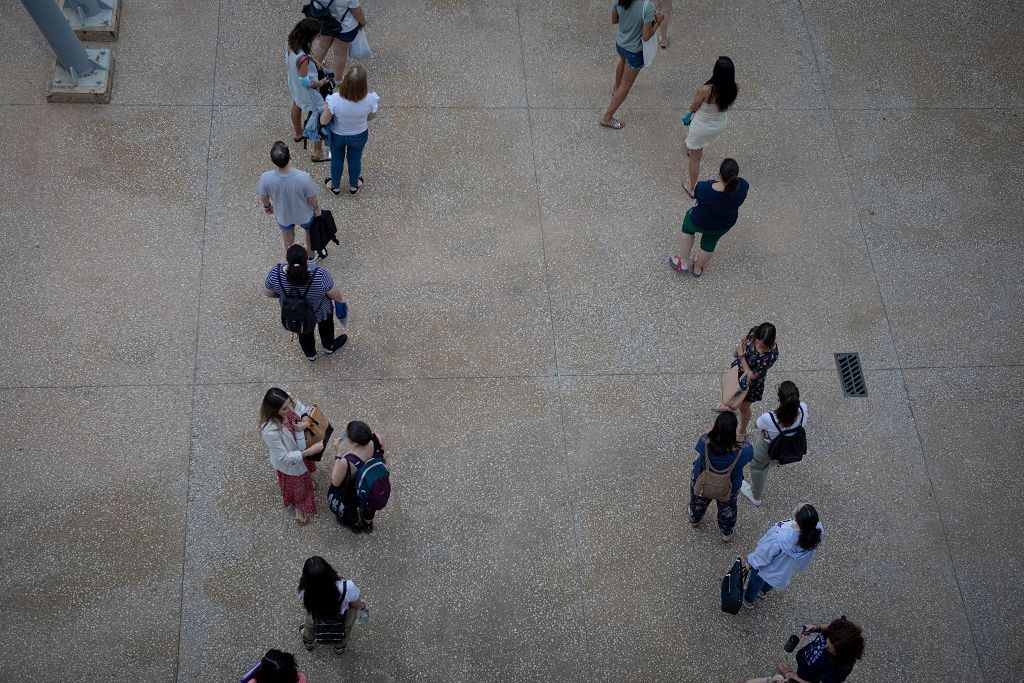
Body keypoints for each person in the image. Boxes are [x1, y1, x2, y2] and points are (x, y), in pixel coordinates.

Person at [264, 244, 349, 363]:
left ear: (288, 260)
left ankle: (311, 356)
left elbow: (268, 293)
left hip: (297, 314)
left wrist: (284, 295)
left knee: (304, 332)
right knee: (326, 328)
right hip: (321, 311)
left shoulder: (275, 274)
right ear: (306, 260)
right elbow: (336, 296)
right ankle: (328, 347)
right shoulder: (320, 275)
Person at [669, 157, 748, 277]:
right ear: (736, 175)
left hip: (699, 220)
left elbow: (695, 194)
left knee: (687, 229)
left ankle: (683, 262)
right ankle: (697, 267)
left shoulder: (704, 188)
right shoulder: (743, 187)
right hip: (723, 225)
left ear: (719, 173)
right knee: (710, 243)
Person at [259, 388, 325, 525]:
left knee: (306, 473)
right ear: (273, 411)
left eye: (290, 403)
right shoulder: (269, 431)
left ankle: (307, 482)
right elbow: (283, 457)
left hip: (302, 448)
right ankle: (299, 508)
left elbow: (302, 408)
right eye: (284, 409)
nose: (290, 408)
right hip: (293, 462)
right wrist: (309, 452)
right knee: (298, 487)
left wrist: (305, 421)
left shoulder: (287, 401)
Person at [688, 411, 753, 542]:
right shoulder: (744, 450)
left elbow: (704, 436)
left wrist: (711, 430)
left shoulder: (704, 443)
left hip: (703, 480)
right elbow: (747, 456)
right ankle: (726, 533)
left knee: (698, 501)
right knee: (727, 510)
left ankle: (695, 519)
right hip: (729, 486)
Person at [741, 381, 808, 506]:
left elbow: (756, 424)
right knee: (771, 462)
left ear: (779, 398)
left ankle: (756, 496)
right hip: (790, 446)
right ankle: (773, 463)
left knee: (758, 467)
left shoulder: (769, 418)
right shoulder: (803, 408)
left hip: (767, 449)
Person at [743, 503, 822, 609]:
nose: (799, 504)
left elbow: (764, 555)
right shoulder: (816, 532)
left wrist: (752, 562)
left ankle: (749, 600)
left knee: (755, 582)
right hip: (783, 571)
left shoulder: (780, 536)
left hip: (764, 568)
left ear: (795, 517)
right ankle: (762, 592)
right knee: (770, 582)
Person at [599, 0, 663, 130]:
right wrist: (658, 22)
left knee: (622, 62)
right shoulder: (648, 6)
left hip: (621, 43)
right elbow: (646, 37)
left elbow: (614, 20)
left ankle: (616, 90)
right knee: (626, 86)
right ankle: (607, 117)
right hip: (635, 51)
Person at [681, 57, 738, 197]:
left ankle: (692, 188)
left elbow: (694, 106)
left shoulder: (706, 90)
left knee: (695, 157)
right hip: (719, 123)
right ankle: (693, 147)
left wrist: (689, 112)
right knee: (697, 145)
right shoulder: (735, 87)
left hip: (702, 126)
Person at [258, 142, 323, 265]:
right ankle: (310, 255)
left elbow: (264, 197)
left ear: (273, 161)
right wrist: (316, 208)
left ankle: (291, 258)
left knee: (287, 236)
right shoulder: (303, 177)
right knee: (309, 232)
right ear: (290, 156)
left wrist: (267, 206)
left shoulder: (265, 178)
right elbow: (312, 198)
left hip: (283, 215)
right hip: (304, 214)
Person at [320, 63, 379, 195]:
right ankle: (354, 185)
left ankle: (335, 186)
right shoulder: (370, 99)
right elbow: (371, 116)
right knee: (355, 159)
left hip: (337, 135)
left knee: (336, 159)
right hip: (359, 134)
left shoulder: (334, 99)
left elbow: (324, 120)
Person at [717, 323, 779, 437]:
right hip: (738, 370)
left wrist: (740, 356)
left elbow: (752, 375)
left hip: (751, 384)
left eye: (762, 345)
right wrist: (736, 353)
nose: (759, 346)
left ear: (769, 342)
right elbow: (744, 340)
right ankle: (729, 406)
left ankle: (742, 430)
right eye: (757, 342)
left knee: (743, 408)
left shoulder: (772, 355)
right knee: (730, 390)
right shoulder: (754, 331)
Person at [298, 556, 368, 655]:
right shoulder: (347, 586)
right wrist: (363, 606)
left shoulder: (303, 590)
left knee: (310, 625)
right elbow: (354, 602)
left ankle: (308, 643)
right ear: (329, 570)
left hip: (317, 615)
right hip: (341, 616)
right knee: (345, 629)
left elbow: (305, 603)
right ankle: (339, 648)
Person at [328, 420, 386, 534]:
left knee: (352, 506)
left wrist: (338, 454)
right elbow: (382, 457)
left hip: (356, 489)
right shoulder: (378, 438)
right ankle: (367, 524)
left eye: (346, 433)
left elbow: (335, 482)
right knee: (369, 505)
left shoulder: (348, 460)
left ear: (353, 442)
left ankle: (354, 525)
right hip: (372, 484)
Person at [286, 18, 330, 163]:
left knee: (296, 104)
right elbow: (306, 82)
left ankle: (298, 134)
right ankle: (317, 152)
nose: (317, 38)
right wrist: (322, 82)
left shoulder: (291, 44)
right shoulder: (303, 59)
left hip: (294, 87)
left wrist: (313, 59)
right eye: (316, 36)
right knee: (317, 118)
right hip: (309, 94)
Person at [313, 0, 366, 84]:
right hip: (345, 26)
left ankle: (314, 69)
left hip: (325, 20)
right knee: (340, 54)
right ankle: (338, 79)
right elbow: (357, 12)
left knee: (322, 46)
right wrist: (363, 22)